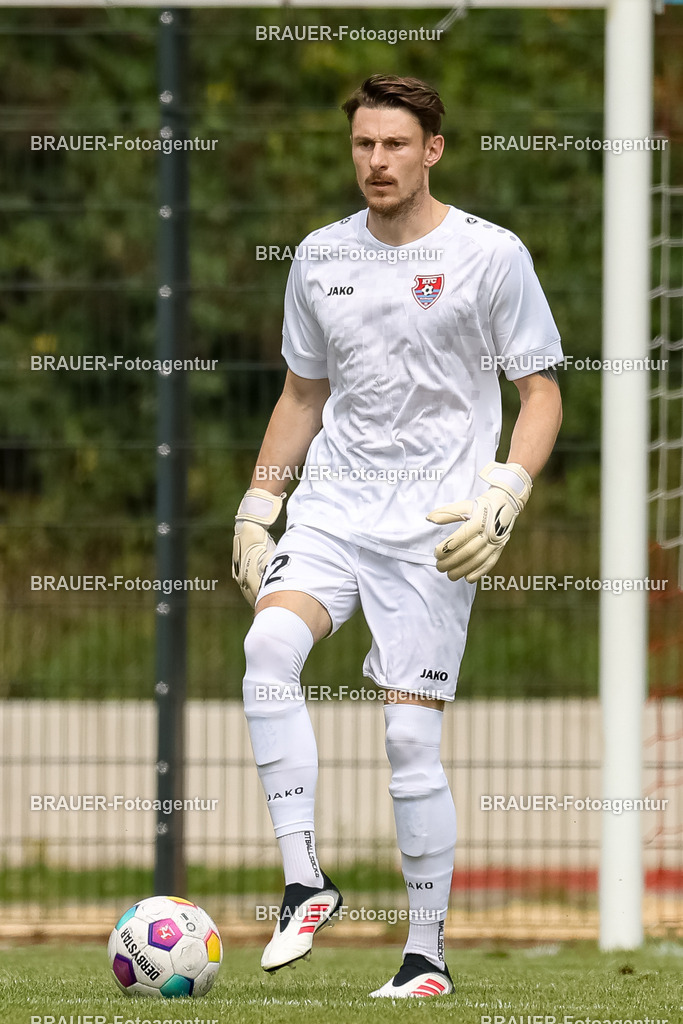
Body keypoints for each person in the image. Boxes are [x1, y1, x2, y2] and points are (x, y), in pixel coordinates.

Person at [232, 74, 563, 999]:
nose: (375, 162)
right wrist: (260, 505)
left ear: (431, 151)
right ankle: (306, 879)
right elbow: (303, 393)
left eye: (392, 145)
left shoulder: (490, 256)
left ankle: (425, 959)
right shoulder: (319, 256)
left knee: (408, 743)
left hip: (432, 528)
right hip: (335, 509)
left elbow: (541, 390)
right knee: (267, 648)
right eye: (362, 146)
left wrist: (507, 488)